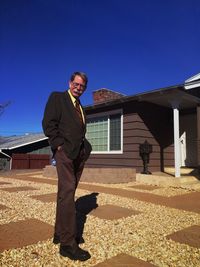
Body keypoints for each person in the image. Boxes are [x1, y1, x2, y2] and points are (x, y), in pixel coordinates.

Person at [42, 71, 92, 261]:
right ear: (70, 82)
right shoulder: (58, 98)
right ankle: (68, 244)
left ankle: (59, 233)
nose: (79, 88)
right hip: (64, 153)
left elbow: (79, 131)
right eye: (76, 84)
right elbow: (48, 124)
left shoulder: (80, 106)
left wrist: (85, 149)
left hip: (78, 154)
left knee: (65, 194)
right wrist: (59, 146)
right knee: (68, 193)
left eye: (82, 86)